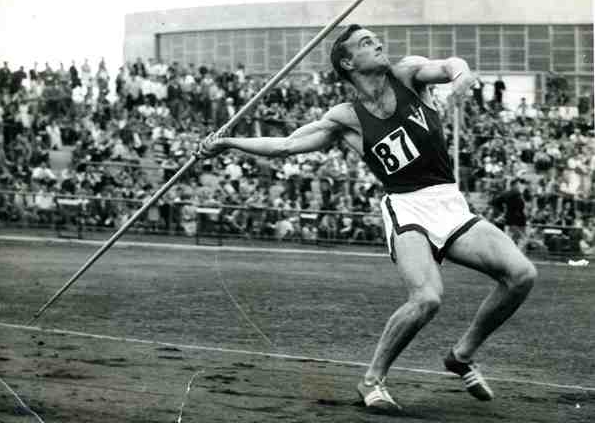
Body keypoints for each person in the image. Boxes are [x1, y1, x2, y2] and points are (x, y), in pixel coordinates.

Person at [201, 24, 537, 412]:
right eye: (365, 43)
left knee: (521, 275)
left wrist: (461, 75)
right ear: (348, 62)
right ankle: (371, 380)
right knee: (427, 298)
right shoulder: (347, 116)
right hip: (406, 206)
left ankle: (461, 356)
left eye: (375, 39)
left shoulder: (408, 74)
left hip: (448, 202)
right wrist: (226, 142)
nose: (377, 44)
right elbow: (287, 145)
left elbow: (448, 64)